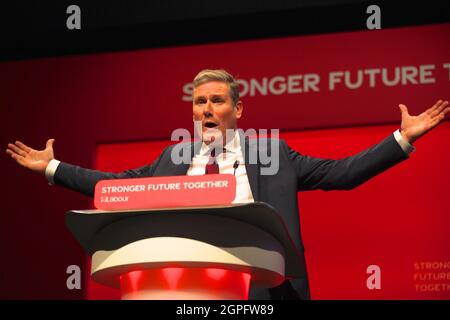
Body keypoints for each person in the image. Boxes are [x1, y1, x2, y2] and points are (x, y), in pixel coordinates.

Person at [6, 69, 449, 299]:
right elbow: (117, 186)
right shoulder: (173, 158)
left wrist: (401, 140)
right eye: (199, 102)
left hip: (265, 289)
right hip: (186, 288)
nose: (206, 110)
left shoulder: (273, 154)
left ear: (239, 110)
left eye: (217, 101)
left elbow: (343, 174)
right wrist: (54, 168)